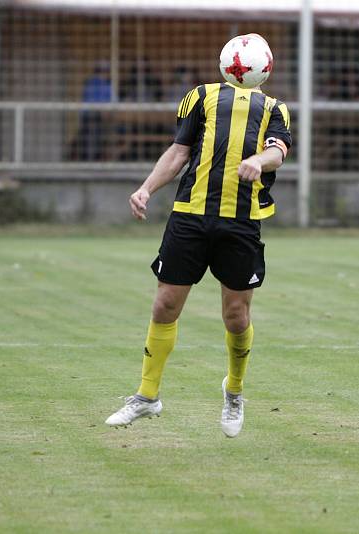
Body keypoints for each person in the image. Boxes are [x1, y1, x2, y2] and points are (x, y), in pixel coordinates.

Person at [105, 34, 292, 438]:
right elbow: (178, 152)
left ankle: (234, 390)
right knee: (165, 304)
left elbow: (279, 150)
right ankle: (147, 396)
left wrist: (258, 160)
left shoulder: (275, 109)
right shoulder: (201, 97)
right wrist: (146, 188)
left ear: (261, 67)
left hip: (241, 223)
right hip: (189, 216)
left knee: (236, 315)